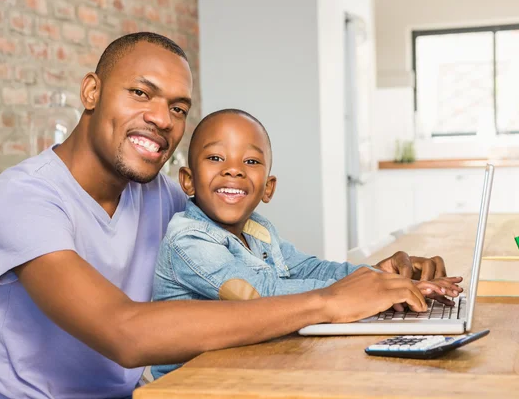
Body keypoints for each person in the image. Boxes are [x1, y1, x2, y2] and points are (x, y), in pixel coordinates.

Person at [0, 32, 453, 399]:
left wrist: (374, 276)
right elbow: (125, 333)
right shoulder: (22, 201)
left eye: (178, 108)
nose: (161, 118)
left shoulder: (158, 196)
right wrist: (328, 302)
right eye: (140, 93)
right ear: (91, 92)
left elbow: (267, 265)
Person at [151, 109, 463, 377]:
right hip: (189, 385)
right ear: (188, 180)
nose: (233, 169)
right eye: (216, 157)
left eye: (250, 161)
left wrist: (380, 277)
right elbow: (259, 294)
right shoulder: (188, 239)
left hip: (246, 369)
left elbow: (311, 268)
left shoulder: (257, 229)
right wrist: (362, 290)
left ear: (268, 188)